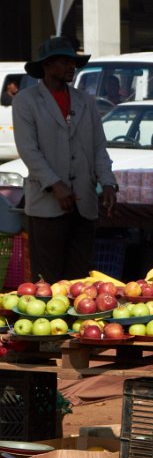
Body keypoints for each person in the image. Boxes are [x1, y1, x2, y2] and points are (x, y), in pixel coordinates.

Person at [12, 36, 117, 282]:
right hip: (46, 205)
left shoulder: (86, 101)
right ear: (47, 65)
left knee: (80, 280)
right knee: (46, 280)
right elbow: (29, 151)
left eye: (73, 62)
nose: (71, 67)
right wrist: (55, 184)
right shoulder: (26, 102)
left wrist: (108, 182)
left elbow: (99, 147)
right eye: (64, 61)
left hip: (84, 203)